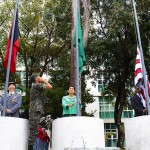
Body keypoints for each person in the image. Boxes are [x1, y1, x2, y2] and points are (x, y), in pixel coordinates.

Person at [28, 75, 52, 150]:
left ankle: (34, 147)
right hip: (35, 109)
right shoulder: (36, 85)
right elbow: (50, 86)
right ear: (36, 79)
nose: (40, 77)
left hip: (36, 109)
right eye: (38, 76)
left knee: (35, 130)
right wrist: (44, 80)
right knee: (34, 130)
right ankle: (31, 148)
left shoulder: (36, 85)